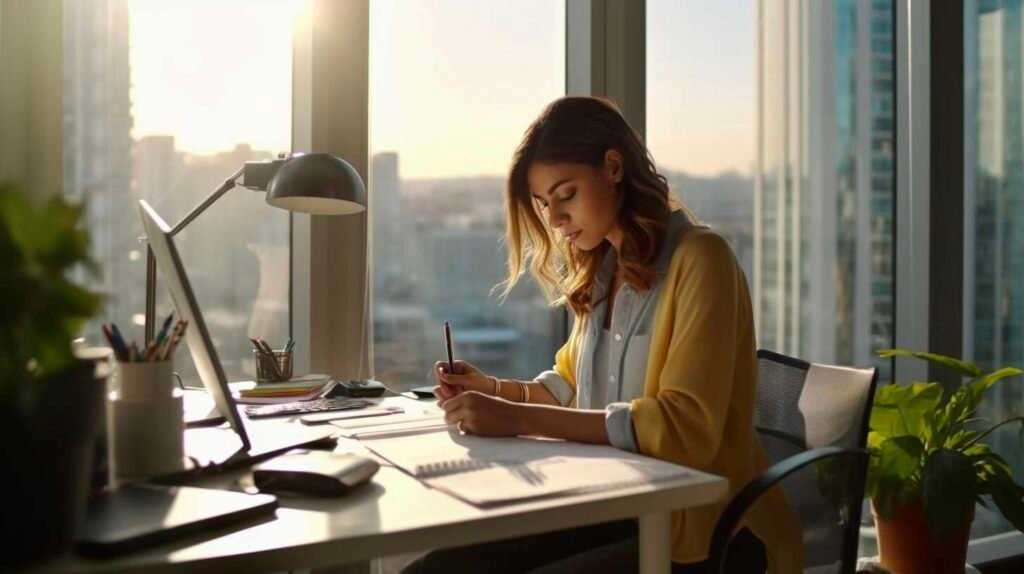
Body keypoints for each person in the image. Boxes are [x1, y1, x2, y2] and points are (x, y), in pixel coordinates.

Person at [402, 96, 800, 574]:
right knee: (434, 570)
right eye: (545, 204)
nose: (554, 219)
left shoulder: (701, 260)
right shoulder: (602, 273)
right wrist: (491, 390)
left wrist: (516, 418)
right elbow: (569, 388)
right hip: (617, 506)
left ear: (613, 167)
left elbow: (683, 428)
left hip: (706, 535)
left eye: (566, 194)